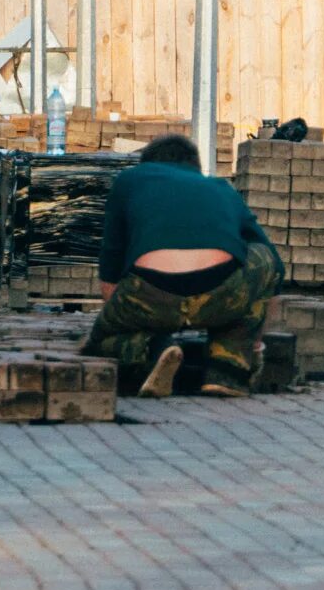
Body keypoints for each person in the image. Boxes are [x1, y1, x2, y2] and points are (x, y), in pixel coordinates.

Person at [86, 134, 285, 398]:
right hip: (220, 293)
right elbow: (275, 266)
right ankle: (229, 368)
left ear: (146, 164)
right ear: (194, 166)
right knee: (263, 256)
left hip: (150, 292)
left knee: (101, 343)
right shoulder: (220, 187)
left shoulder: (129, 179)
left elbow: (111, 261)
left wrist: (116, 321)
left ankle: (151, 356)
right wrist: (254, 342)